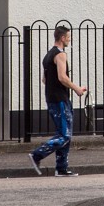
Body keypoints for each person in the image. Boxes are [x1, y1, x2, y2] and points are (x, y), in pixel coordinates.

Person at [29, 25, 87, 176]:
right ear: (62, 38)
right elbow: (62, 77)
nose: (70, 39)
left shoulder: (48, 55)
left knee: (63, 133)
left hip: (52, 98)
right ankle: (37, 154)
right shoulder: (60, 54)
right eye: (68, 37)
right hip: (60, 99)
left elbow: (44, 79)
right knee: (64, 135)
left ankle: (61, 168)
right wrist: (77, 89)